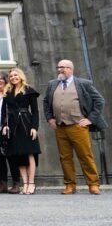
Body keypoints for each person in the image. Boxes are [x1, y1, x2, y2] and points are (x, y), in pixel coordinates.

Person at [43, 59, 107, 195]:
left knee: (85, 156)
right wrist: (50, 118)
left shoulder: (83, 83)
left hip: (78, 126)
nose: (59, 70)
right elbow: (46, 101)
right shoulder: (52, 84)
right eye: (58, 67)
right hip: (60, 127)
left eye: (63, 67)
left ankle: (93, 184)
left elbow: (99, 100)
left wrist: (90, 119)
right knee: (65, 157)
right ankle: (70, 185)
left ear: (70, 69)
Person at [2, 68, 41, 195]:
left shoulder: (29, 90)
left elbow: (35, 111)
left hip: (26, 123)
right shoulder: (8, 92)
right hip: (13, 126)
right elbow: (4, 111)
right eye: (11, 76)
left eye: (15, 75)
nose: (13, 77)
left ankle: (31, 183)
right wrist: (4, 125)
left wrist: (34, 127)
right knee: (18, 154)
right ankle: (24, 183)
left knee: (30, 153)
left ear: (21, 76)